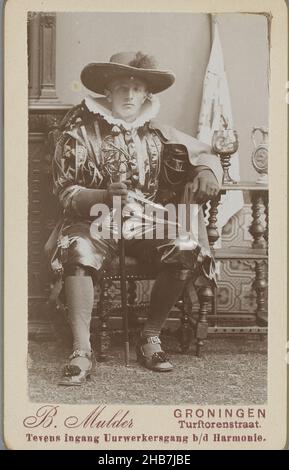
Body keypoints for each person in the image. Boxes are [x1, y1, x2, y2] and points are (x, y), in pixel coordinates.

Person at [45, 51, 222, 386]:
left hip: (144, 221)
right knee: (78, 248)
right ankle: (82, 349)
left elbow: (203, 153)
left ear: (146, 95)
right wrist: (102, 196)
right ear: (107, 92)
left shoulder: (157, 132)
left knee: (184, 244)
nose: (129, 95)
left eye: (136, 87)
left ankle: (150, 335)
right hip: (93, 218)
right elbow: (65, 191)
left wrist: (207, 172)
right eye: (121, 87)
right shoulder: (79, 132)